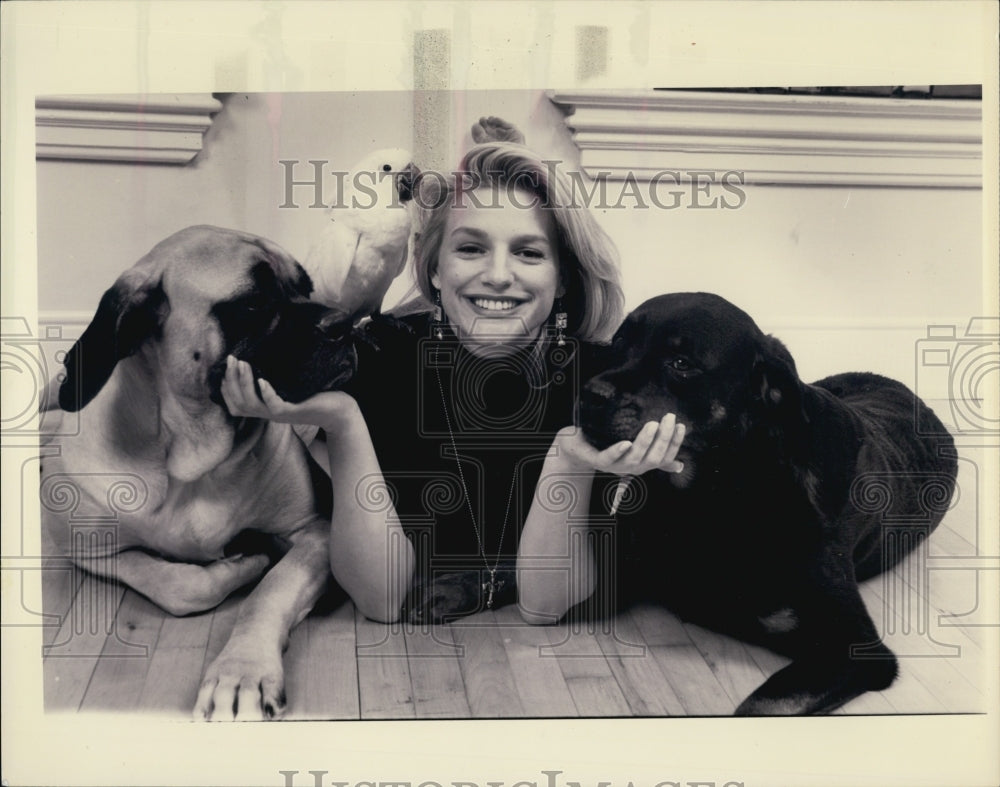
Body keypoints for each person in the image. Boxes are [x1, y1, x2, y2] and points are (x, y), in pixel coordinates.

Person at [221, 140, 685, 625]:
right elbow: (381, 599)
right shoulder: (380, 356)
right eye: (470, 248)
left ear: (563, 277)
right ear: (435, 268)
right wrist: (342, 421)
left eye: (528, 252)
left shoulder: (603, 384)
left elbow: (544, 606)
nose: (498, 276)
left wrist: (568, 459)